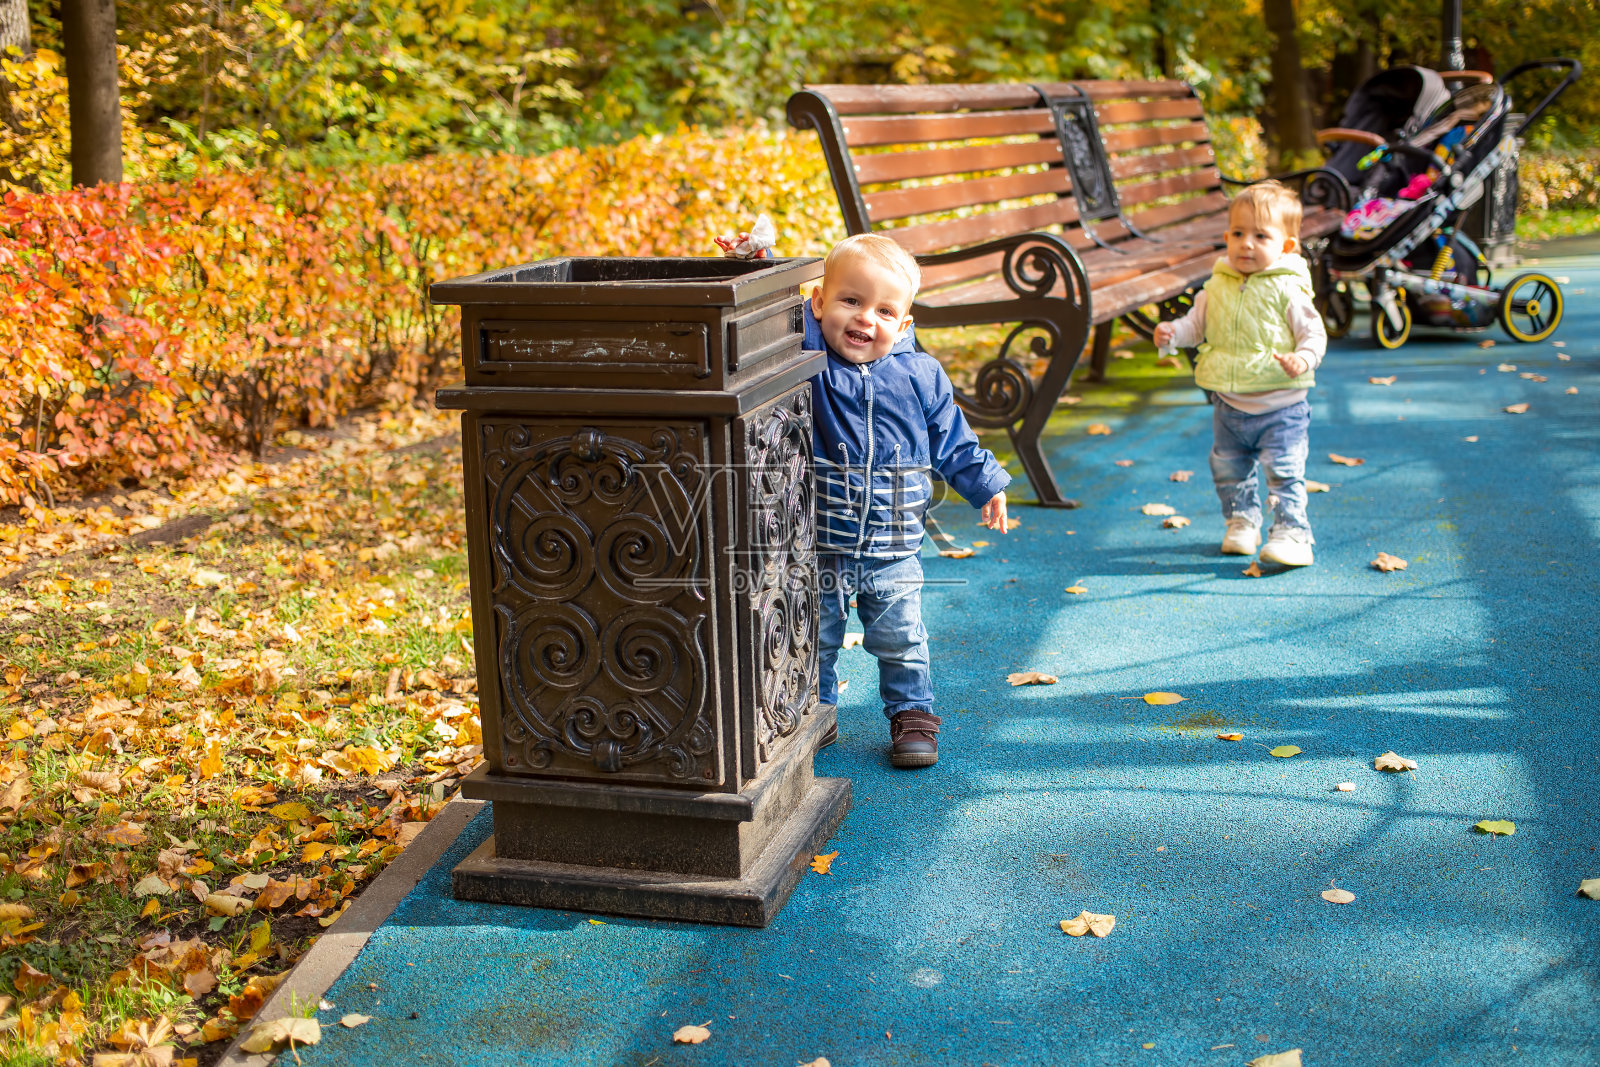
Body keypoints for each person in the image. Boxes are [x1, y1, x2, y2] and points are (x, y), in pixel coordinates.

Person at [804, 233, 1011, 768]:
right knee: (815, 635)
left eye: (884, 310)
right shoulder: (809, 361)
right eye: (850, 300)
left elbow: (951, 438)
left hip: (892, 541)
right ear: (820, 303)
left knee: (899, 637)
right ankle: (815, 712)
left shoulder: (919, 375)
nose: (864, 319)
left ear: (905, 325)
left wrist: (986, 482)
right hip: (820, 539)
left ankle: (912, 714)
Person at [1153, 181, 1327, 567]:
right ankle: (1241, 522)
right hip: (1229, 406)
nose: (1246, 243)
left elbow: (1313, 333)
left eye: (1260, 235)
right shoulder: (1216, 287)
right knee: (1228, 470)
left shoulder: (1289, 289)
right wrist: (1172, 334)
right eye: (1238, 233)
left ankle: (1292, 534)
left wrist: (1304, 357)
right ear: (1226, 237)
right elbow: (1195, 327)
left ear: (1286, 246)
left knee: (1283, 473)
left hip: (1281, 407)